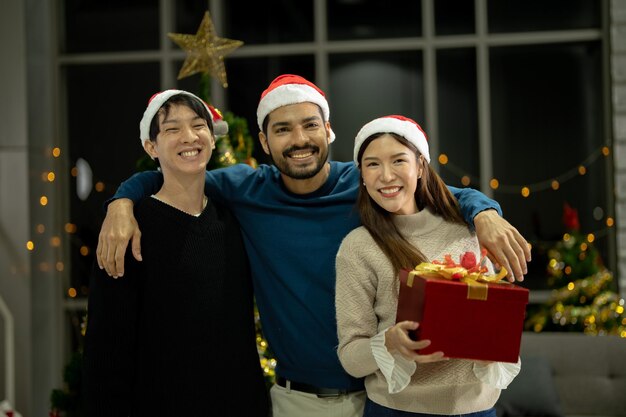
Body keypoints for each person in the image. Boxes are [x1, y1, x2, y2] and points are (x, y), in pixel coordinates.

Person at [95, 75, 530, 417]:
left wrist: (484, 213)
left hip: (377, 394)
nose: (298, 140)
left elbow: (433, 189)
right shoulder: (246, 189)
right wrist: (122, 201)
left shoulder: (365, 184)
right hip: (296, 402)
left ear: (328, 130)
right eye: (282, 130)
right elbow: (176, 170)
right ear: (265, 143)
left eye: (309, 125)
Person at [82, 90, 270, 416]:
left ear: (212, 139)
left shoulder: (233, 219)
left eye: (199, 126)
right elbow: (106, 352)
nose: (189, 137)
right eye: (172, 129)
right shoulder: (127, 229)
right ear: (151, 147)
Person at [335, 115, 520, 417]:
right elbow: (350, 357)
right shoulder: (358, 248)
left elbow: (497, 330)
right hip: (395, 410)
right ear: (362, 175)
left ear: (420, 166)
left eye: (398, 161)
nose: (385, 175)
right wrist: (389, 343)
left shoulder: (471, 232)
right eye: (372, 164)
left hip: (478, 410)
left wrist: (491, 349)